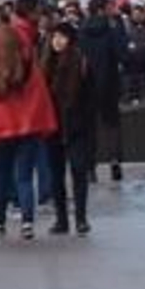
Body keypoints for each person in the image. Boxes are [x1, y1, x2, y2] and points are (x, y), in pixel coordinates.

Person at [0, 0, 58, 240]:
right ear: (30, 13)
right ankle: (27, 222)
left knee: (3, 173)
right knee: (25, 175)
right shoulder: (28, 39)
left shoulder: (3, 36)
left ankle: (0, 220)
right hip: (27, 117)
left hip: (2, 117)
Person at [42, 20, 94, 236]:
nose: (57, 40)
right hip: (52, 127)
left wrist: (84, 122)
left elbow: (91, 96)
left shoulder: (80, 61)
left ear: (70, 39)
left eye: (62, 36)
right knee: (56, 175)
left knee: (78, 171)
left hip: (75, 126)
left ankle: (81, 218)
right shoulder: (45, 62)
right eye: (54, 36)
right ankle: (61, 219)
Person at [78, 0, 125, 182]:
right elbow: (123, 54)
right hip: (110, 83)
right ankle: (114, 161)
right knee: (112, 125)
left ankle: (90, 167)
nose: (111, 10)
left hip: (87, 85)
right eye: (109, 7)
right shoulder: (112, 30)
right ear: (101, 10)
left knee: (89, 127)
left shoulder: (81, 31)